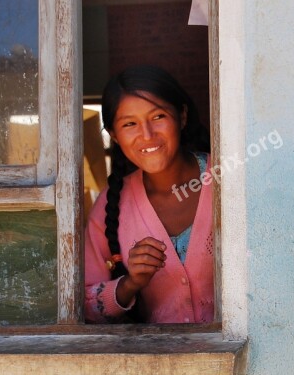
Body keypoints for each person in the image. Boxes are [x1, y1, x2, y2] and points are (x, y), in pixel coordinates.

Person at [85, 65, 214, 323]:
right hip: (158, 363)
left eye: (158, 117)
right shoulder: (110, 205)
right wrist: (130, 284)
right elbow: (85, 305)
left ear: (182, 116)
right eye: (130, 123)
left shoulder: (227, 180)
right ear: (114, 135)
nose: (147, 135)